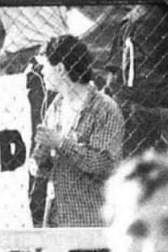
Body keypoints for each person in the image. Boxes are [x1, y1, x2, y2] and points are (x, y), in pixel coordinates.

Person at [33, 35, 125, 228]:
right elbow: (46, 169)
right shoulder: (55, 108)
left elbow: (104, 163)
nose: (41, 71)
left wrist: (60, 143)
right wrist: (40, 159)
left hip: (91, 223)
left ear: (59, 68)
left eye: (44, 65)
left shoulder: (104, 109)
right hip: (58, 222)